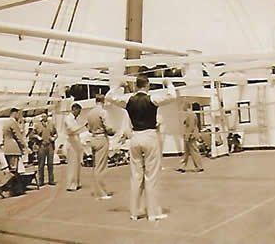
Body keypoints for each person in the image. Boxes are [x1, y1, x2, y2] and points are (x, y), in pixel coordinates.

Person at [106, 75, 176, 221]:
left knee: (136, 176)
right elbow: (172, 96)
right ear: (147, 86)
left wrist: (118, 84)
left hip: (135, 137)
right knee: (151, 176)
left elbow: (109, 96)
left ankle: (134, 213)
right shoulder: (152, 99)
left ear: (137, 86)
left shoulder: (128, 100)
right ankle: (153, 213)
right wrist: (168, 83)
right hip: (150, 137)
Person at [87, 94, 115, 200]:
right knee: (101, 167)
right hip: (101, 138)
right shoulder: (103, 112)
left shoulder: (90, 113)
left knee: (96, 166)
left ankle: (98, 190)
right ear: (103, 101)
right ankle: (102, 192)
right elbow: (108, 127)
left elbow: (89, 129)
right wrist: (114, 131)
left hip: (93, 138)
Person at [2, 108, 27, 194]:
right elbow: (18, 136)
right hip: (13, 148)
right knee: (14, 170)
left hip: (7, 149)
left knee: (12, 170)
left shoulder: (5, 123)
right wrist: (25, 146)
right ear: (15, 113)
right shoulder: (13, 123)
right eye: (18, 114)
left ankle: (14, 189)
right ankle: (6, 188)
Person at [176, 103, 203, 173]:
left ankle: (199, 166)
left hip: (191, 135)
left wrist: (187, 136)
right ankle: (182, 166)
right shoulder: (190, 114)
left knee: (194, 151)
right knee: (186, 152)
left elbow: (191, 126)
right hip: (188, 135)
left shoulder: (191, 115)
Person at [64, 102, 85, 191]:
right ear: (74, 109)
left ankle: (76, 182)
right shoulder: (67, 118)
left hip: (76, 143)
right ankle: (71, 184)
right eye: (78, 111)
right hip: (71, 143)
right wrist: (83, 125)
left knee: (77, 164)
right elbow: (72, 130)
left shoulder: (75, 120)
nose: (79, 114)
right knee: (72, 164)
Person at [35, 113, 58, 186]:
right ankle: (41, 180)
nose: (44, 117)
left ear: (47, 117)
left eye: (45, 116)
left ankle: (51, 180)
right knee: (41, 164)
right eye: (42, 116)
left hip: (50, 145)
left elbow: (56, 133)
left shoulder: (51, 124)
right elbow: (32, 134)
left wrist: (54, 138)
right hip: (41, 145)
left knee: (50, 164)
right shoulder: (37, 125)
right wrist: (37, 137)